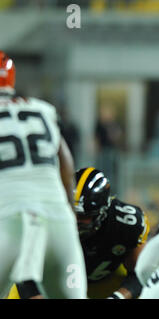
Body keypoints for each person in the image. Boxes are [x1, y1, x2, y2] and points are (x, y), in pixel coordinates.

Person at [0, 51, 87, 299]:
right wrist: (69, 217)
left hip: (9, 222)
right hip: (58, 222)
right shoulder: (41, 109)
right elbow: (66, 167)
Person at [8, 167, 150, 299]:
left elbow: (140, 273)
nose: (74, 220)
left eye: (83, 216)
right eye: (70, 211)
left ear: (102, 212)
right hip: (49, 282)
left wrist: (118, 297)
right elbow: (24, 273)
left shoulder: (126, 223)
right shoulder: (44, 218)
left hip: (104, 283)